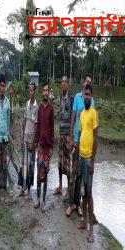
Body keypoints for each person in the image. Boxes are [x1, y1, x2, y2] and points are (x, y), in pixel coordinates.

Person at [66, 74, 95, 218]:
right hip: (76, 142)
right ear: (83, 82)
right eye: (87, 81)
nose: (88, 84)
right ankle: (71, 204)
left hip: (86, 147)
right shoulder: (77, 98)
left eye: (90, 82)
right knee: (73, 174)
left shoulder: (92, 101)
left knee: (83, 178)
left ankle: (79, 206)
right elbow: (73, 118)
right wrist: (71, 138)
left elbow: (92, 125)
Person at [76, 84, 98, 243]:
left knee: (89, 193)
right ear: (82, 96)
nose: (87, 97)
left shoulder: (94, 113)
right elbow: (81, 133)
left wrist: (93, 162)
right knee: (83, 191)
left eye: (89, 94)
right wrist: (78, 158)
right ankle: (83, 220)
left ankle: (91, 230)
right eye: (85, 94)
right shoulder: (82, 114)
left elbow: (96, 138)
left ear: (92, 96)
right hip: (81, 157)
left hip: (89, 158)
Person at [34, 82, 54, 212]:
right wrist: (35, 142)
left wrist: (52, 147)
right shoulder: (40, 107)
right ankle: (37, 198)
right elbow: (38, 127)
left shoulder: (51, 108)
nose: (45, 93)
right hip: (40, 147)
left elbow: (52, 129)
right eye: (44, 91)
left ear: (49, 93)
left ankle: (44, 201)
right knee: (39, 174)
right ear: (42, 93)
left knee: (45, 174)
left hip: (47, 148)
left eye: (47, 90)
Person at [55, 75, 74, 201]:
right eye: (62, 82)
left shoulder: (71, 98)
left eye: (65, 82)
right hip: (60, 134)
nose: (63, 84)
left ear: (68, 84)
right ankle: (60, 186)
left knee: (67, 163)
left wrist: (72, 136)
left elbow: (73, 116)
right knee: (60, 162)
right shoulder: (60, 98)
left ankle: (68, 190)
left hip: (67, 135)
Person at [19, 82, 38, 199]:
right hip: (25, 139)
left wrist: (32, 142)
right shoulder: (27, 104)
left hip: (31, 141)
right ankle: (22, 188)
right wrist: (22, 138)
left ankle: (30, 191)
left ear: (35, 92)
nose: (30, 92)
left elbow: (36, 125)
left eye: (32, 90)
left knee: (31, 165)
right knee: (23, 164)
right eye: (29, 90)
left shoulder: (37, 106)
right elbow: (25, 121)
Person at [0, 75, 11, 204]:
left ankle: (5, 191)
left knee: (4, 165)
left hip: (5, 139)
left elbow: (9, 120)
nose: (2, 88)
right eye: (0, 85)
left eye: (4, 86)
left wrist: (8, 134)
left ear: (5, 87)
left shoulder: (8, 103)